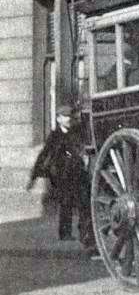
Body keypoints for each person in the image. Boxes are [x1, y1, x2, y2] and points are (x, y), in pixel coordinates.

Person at [26, 105, 93, 250]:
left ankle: (84, 233)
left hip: (77, 172)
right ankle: (65, 233)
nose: (69, 119)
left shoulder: (76, 132)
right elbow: (44, 155)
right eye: (65, 116)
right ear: (59, 119)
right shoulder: (54, 136)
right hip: (62, 175)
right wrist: (33, 177)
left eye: (69, 116)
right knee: (66, 203)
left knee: (83, 202)